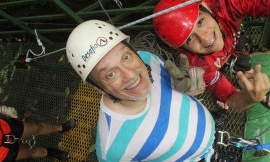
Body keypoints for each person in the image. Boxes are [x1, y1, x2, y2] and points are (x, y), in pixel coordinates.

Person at [66, 20, 215, 161]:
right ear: (97, 87)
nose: (130, 75)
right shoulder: (112, 150)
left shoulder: (147, 58)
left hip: (209, 128)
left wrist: (189, 90)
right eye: (111, 74)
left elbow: (173, 95)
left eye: (126, 57)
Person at [152, 0, 270, 110]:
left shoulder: (227, 4)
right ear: (182, 49)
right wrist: (250, 99)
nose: (204, 38)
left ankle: (247, 76)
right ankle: (252, 91)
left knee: (243, 62)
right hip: (217, 57)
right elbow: (231, 98)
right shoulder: (198, 65)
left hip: (234, 42)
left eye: (200, 21)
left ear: (207, 8)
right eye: (189, 39)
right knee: (219, 89)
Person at [0, 104, 77, 162]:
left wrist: (2, 109)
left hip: (4, 128)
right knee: (31, 151)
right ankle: (53, 153)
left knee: (37, 128)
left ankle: (61, 128)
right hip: (2, 154)